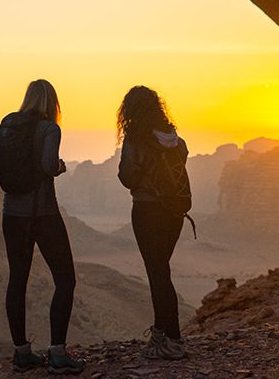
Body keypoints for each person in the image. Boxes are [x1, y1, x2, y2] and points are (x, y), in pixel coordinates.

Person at [0, 78, 81, 374]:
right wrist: (59, 167)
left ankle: (22, 353)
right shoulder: (50, 129)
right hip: (43, 214)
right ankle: (58, 354)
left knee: (17, 280)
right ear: (53, 102)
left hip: (12, 215)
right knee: (65, 280)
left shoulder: (9, 124)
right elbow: (49, 166)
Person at [116, 84, 191, 360]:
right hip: (174, 213)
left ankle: (173, 341)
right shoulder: (173, 138)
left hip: (147, 211)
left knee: (157, 274)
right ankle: (161, 334)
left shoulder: (136, 139)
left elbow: (127, 176)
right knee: (161, 271)